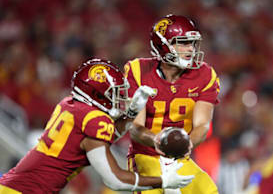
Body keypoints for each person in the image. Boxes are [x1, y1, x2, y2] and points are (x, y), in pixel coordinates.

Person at [0, 58, 194, 194]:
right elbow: (115, 180)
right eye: (113, 93)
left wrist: (132, 113)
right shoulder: (94, 120)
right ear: (97, 93)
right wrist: (163, 181)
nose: (118, 98)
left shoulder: (69, 104)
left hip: (14, 187)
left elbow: (100, 140)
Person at [124, 14, 220, 194]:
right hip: (145, 155)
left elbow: (202, 125)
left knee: (208, 190)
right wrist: (159, 141)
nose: (190, 49)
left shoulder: (205, 75)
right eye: (183, 43)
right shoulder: (138, 71)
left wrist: (185, 145)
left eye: (192, 43)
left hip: (180, 158)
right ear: (162, 45)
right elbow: (135, 127)